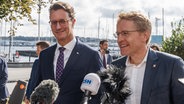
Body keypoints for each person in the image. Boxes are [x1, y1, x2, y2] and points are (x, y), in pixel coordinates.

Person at [32, 1, 103, 104]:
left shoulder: (91, 55)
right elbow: (37, 89)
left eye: (62, 21)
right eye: (54, 22)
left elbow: (100, 96)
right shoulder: (44, 55)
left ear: (73, 22)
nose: (58, 27)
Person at [112, 11, 184, 104]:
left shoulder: (172, 65)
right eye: (118, 34)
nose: (119, 39)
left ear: (145, 35)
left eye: (125, 33)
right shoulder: (114, 66)